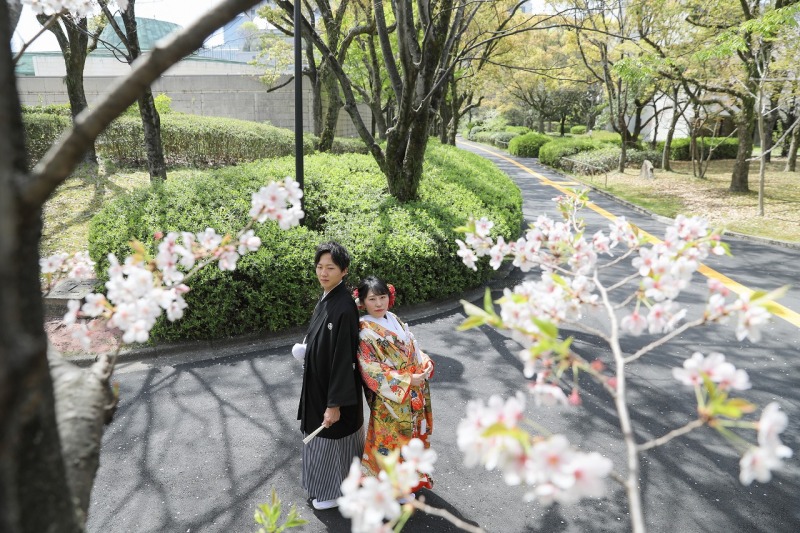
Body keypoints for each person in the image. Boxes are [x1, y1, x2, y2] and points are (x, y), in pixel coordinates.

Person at [297, 242, 364, 510]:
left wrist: (335, 404)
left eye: (330, 268)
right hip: (319, 384)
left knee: (334, 437)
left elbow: (344, 358)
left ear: (344, 271)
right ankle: (325, 488)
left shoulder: (344, 307)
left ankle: (335, 492)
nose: (323, 273)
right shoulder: (327, 297)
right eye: (319, 267)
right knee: (322, 438)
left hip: (334, 389)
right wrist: (307, 349)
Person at [355, 276, 434, 490]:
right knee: (390, 443)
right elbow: (370, 368)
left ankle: (409, 483)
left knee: (412, 439)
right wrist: (407, 380)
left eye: (382, 297)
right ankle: (389, 490)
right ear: (363, 302)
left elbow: (412, 347)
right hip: (391, 399)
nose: (379, 303)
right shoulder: (364, 331)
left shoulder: (393, 318)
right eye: (372, 299)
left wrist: (424, 361)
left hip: (412, 391)